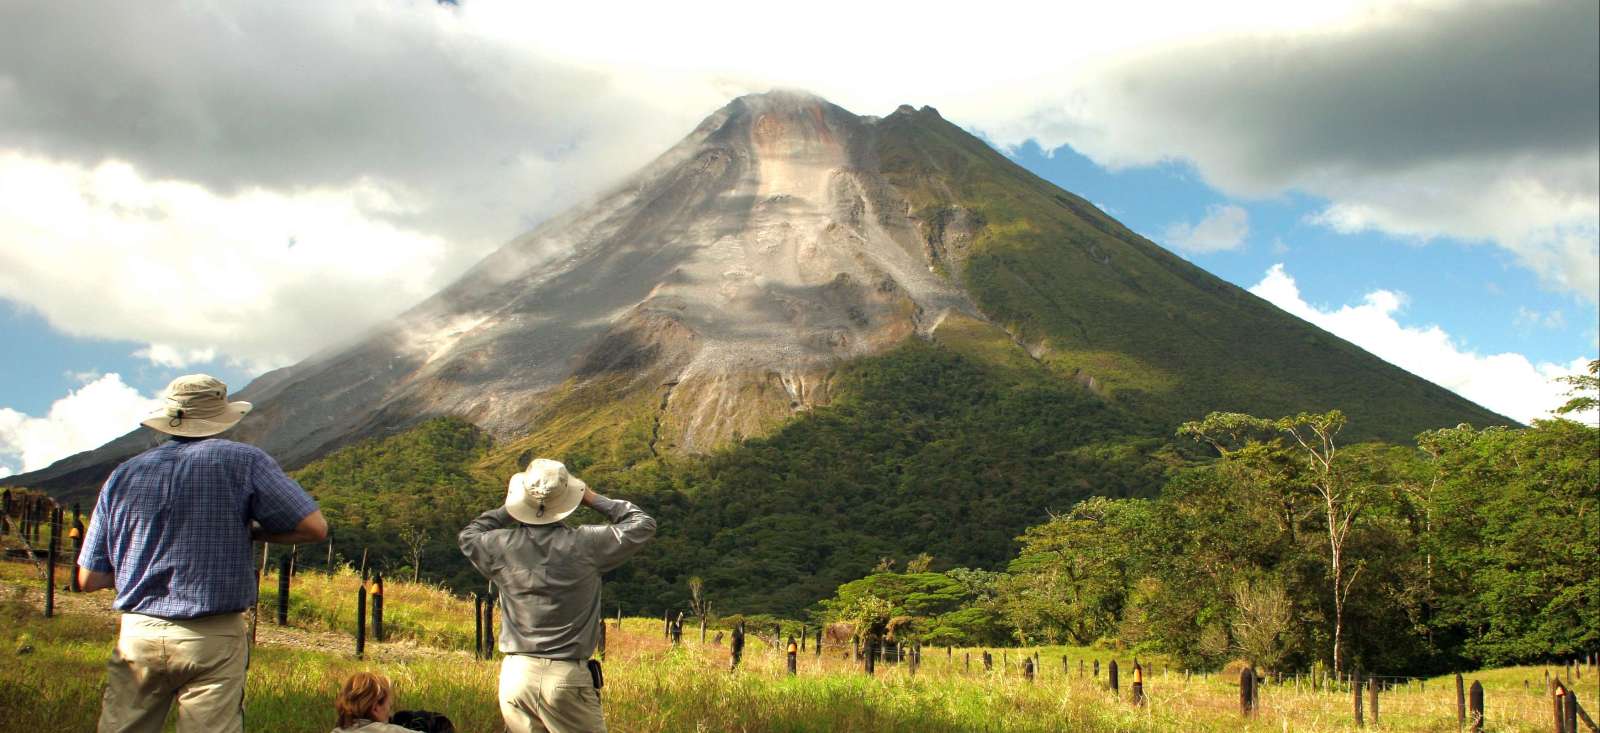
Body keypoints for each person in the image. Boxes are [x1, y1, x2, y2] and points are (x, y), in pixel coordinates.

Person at [77, 374, 328, 733]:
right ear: (220, 416)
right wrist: (251, 532)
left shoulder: (123, 475)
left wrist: (145, 558)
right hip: (212, 635)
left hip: (138, 635)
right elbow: (314, 527)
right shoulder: (243, 461)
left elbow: (89, 579)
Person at [459, 458, 655, 733]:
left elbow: (469, 535)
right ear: (569, 501)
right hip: (565, 676)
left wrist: (510, 508)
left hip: (516, 674)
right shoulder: (586, 544)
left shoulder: (500, 545)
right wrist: (592, 498)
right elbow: (642, 523)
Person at [331, 672, 415, 733]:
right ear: (375, 708)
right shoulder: (389, 731)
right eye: (389, 706)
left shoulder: (336, 731)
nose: (390, 714)